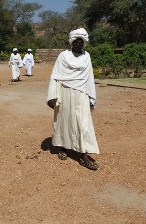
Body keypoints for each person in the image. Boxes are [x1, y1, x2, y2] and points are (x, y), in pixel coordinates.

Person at [46, 28, 99, 170]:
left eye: (80, 41)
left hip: (81, 93)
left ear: (84, 43)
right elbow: (55, 75)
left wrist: (91, 96)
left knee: (82, 122)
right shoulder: (63, 56)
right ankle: (63, 146)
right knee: (64, 120)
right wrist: (52, 96)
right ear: (71, 42)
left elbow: (89, 77)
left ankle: (83, 154)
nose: (78, 44)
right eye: (76, 41)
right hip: (64, 92)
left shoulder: (86, 56)